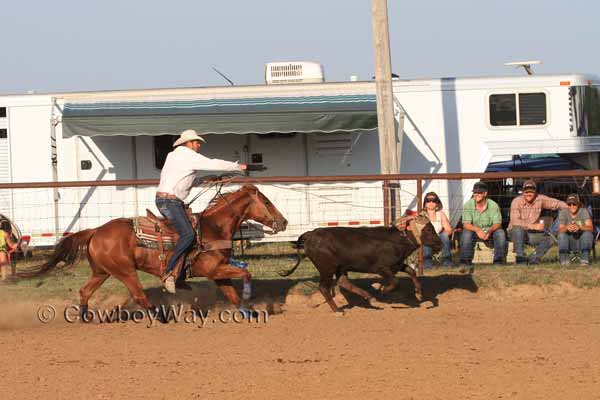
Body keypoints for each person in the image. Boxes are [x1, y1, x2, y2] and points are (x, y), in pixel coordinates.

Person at [156, 129, 246, 293]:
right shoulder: (186, 155)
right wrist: (238, 166)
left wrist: (205, 179)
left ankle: (182, 273)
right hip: (170, 202)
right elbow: (213, 163)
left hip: (168, 201)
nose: (198, 145)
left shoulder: (174, 156)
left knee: (190, 233)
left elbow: (185, 180)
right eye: (196, 142)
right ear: (188, 143)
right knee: (189, 234)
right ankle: (169, 273)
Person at [508, 179, 568, 264]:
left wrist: (570, 208)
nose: (529, 194)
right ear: (523, 192)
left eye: (531, 191)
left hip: (531, 234)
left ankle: (534, 258)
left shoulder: (540, 199)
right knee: (518, 229)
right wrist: (533, 226)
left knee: (550, 238)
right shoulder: (516, 201)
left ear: (535, 192)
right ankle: (520, 258)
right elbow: (515, 221)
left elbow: (556, 203)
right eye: (526, 191)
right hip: (514, 233)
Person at [459, 181, 506, 266]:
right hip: (474, 230)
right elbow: (466, 224)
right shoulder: (468, 205)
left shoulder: (493, 205)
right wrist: (477, 230)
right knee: (466, 233)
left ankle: (498, 261)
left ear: (485, 193)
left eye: (479, 192)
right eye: (474, 192)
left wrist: (489, 231)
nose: (476, 194)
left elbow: (498, 223)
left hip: (490, 230)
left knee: (500, 233)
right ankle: (465, 261)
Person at [557, 194, 594, 266]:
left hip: (582, 241)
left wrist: (580, 227)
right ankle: (564, 260)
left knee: (588, 234)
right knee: (561, 235)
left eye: (574, 204)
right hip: (568, 242)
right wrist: (567, 227)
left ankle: (585, 259)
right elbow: (559, 230)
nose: (572, 206)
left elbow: (591, 228)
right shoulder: (563, 212)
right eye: (569, 204)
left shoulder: (584, 211)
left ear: (578, 204)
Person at [421, 192, 453, 268]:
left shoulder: (441, 214)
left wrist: (440, 235)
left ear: (437, 203)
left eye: (434, 200)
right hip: (427, 238)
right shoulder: (422, 215)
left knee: (444, 235)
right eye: (428, 200)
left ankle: (447, 261)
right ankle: (427, 263)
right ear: (425, 203)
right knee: (426, 236)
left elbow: (449, 230)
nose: (431, 202)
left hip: (439, 238)